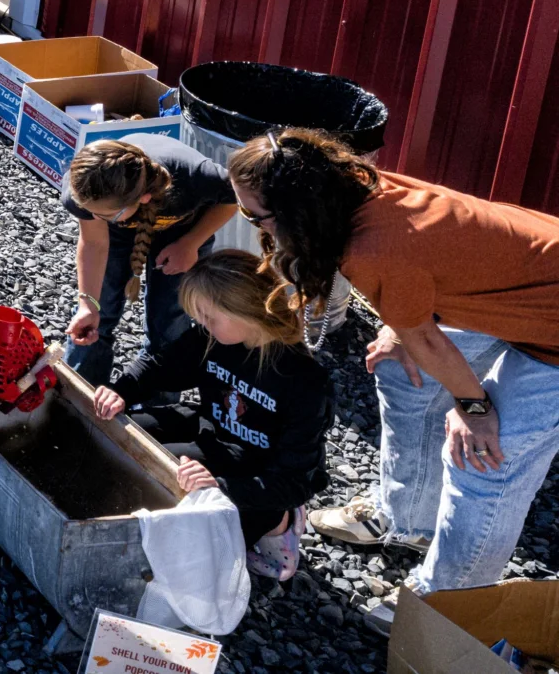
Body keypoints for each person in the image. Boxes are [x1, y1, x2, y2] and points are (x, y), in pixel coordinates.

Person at [231, 131, 559, 630]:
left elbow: (426, 339)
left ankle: (446, 610)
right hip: (516, 290)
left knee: (483, 459)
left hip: (551, 327)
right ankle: (409, 521)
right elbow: (426, 274)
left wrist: (473, 408)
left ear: (300, 209)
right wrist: (400, 326)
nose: (256, 227)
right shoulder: (356, 190)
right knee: (399, 367)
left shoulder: (371, 250)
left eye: (257, 217)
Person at [89, 251, 333, 581]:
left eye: (208, 315)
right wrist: (121, 391)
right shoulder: (212, 338)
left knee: (160, 478)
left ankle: (280, 523)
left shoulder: (304, 382)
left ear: (246, 311)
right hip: (208, 429)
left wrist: (219, 486)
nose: (202, 323)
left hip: (253, 472)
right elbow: (160, 365)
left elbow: (295, 480)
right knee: (119, 438)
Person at [61, 134, 237, 384]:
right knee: (99, 312)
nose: (93, 217)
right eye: (92, 213)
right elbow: (94, 242)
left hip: (184, 231)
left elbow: (233, 199)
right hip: (117, 233)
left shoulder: (194, 175)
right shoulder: (85, 190)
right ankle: (79, 390)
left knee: (169, 324)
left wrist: (191, 244)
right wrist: (87, 305)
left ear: (143, 198)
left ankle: (157, 405)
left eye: (104, 214)